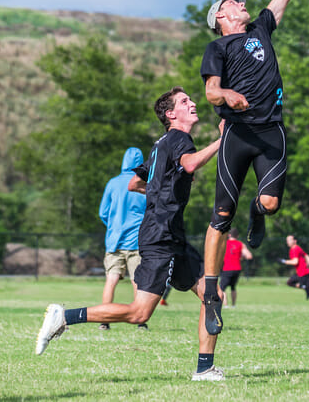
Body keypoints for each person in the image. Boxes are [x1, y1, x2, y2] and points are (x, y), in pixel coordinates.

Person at [35, 87, 227, 381]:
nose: (193, 103)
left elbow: (135, 183)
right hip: (160, 236)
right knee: (139, 313)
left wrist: (160, 192)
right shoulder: (178, 138)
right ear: (170, 114)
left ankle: (205, 368)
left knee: (211, 295)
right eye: (185, 101)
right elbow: (190, 164)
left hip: (170, 235)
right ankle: (64, 317)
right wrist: (222, 140)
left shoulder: (161, 144)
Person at [199, 0, 297, 335]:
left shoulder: (259, 29)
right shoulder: (218, 48)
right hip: (238, 136)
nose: (240, 3)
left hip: (270, 131)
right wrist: (228, 96)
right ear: (220, 17)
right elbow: (209, 91)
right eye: (231, 3)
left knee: (271, 204)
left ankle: (258, 213)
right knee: (221, 215)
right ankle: (209, 291)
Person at [97, 147, 147, 330]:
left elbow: (103, 212)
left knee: (111, 279)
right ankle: (141, 321)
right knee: (138, 280)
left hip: (114, 241)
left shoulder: (113, 183)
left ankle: (104, 320)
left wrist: (113, 227)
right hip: (137, 241)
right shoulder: (143, 183)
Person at [220, 228, 253, 308]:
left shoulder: (224, 243)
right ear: (237, 236)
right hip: (237, 269)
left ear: (229, 235)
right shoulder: (241, 244)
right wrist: (240, 257)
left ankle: (226, 305)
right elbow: (249, 256)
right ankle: (233, 305)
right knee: (233, 287)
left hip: (227, 268)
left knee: (222, 288)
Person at [281, 235, 309, 300]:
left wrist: (284, 261)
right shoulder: (297, 248)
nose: (287, 242)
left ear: (295, 241)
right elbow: (308, 257)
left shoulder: (294, 249)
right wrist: (307, 265)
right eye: (287, 240)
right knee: (290, 282)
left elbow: (295, 262)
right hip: (302, 273)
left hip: (303, 273)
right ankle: (304, 288)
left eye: (289, 240)